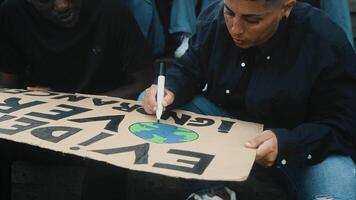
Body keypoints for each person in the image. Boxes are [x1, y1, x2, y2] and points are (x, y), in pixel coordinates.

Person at [143, 0, 356, 199]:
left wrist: (288, 143)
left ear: (286, 7)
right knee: (149, 100)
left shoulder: (324, 40)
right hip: (227, 128)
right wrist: (170, 87)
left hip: (301, 146)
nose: (235, 28)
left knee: (337, 188)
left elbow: (344, 124)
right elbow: (189, 69)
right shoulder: (215, 18)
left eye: (252, 20)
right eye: (230, 12)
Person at [0, 0, 153, 199]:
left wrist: (72, 102)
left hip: (99, 125)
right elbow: (6, 90)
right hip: (41, 122)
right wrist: (28, 97)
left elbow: (145, 83)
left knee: (110, 154)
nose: (62, 5)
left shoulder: (111, 10)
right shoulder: (13, 12)